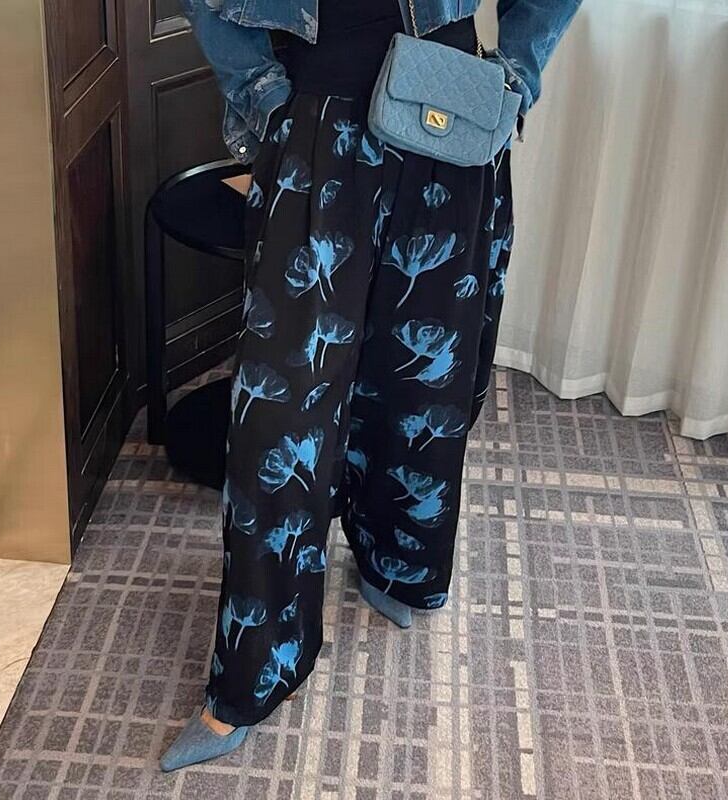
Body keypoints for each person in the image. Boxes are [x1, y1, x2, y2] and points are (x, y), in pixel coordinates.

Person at [161, 0, 581, 772]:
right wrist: (262, 96)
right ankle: (253, 672)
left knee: (423, 382)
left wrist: (517, 75)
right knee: (279, 411)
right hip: (315, 121)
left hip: (450, 109)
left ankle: (399, 559)